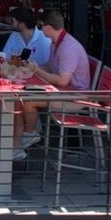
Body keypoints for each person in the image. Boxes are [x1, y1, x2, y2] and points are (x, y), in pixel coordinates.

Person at [16, 10, 93, 152]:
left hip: (76, 98)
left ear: (49, 28)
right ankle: (29, 134)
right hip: (65, 92)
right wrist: (34, 67)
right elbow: (50, 67)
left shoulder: (67, 47)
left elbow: (63, 81)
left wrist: (36, 71)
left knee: (27, 101)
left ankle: (30, 134)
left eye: (41, 26)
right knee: (22, 95)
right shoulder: (56, 43)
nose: (39, 30)